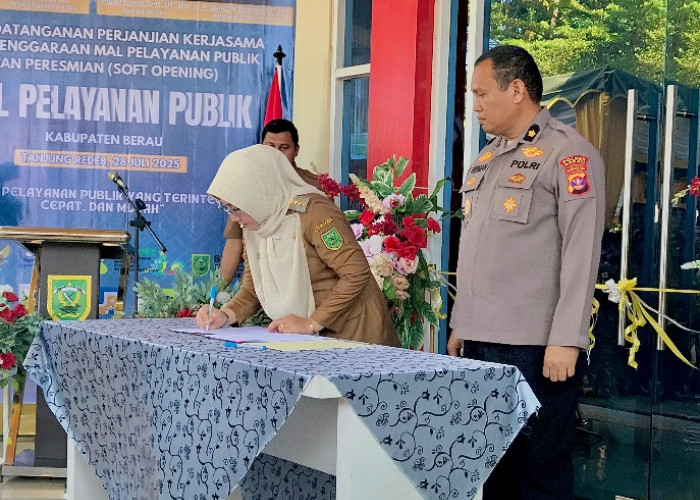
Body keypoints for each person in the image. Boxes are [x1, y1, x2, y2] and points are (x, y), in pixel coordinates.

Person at [446, 45, 605, 499]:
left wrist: (567, 338)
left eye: (482, 94)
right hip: (480, 342)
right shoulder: (487, 157)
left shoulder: (569, 154)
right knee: (488, 467)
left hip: (537, 348)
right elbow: (479, 248)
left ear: (516, 90)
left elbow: (581, 253)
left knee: (538, 471)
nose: (475, 105)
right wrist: (462, 322)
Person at [198, 144, 398, 346]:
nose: (234, 218)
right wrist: (225, 315)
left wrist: (312, 323)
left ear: (259, 195)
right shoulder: (258, 223)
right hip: (305, 339)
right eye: (228, 209)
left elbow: (355, 273)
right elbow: (253, 289)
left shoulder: (314, 213)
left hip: (354, 335)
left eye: (236, 209)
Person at [219, 119, 321, 284]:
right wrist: (217, 290)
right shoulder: (247, 186)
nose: (276, 154)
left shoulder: (314, 187)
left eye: (284, 148)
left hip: (303, 283)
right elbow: (234, 243)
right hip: (258, 284)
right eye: (270, 147)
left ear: (296, 150)